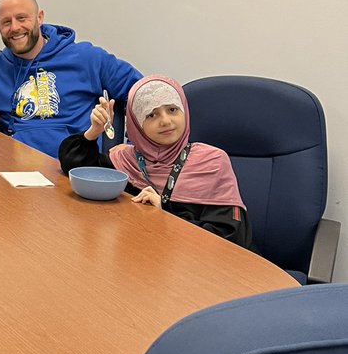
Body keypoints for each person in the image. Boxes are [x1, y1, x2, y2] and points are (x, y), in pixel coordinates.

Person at [58, 74, 253, 248]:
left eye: (172, 110)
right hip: (146, 262)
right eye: (151, 115)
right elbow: (75, 165)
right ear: (136, 125)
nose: (166, 121)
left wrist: (165, 217)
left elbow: (230, 238)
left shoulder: (212, 162)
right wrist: (94, 131)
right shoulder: (127, 160)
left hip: (204, 273)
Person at [0, 0, 141, 158]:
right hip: (9, 173)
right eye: (6, 22)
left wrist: (134, 148)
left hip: (71, 169)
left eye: (22, 18)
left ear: (40, 17)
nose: (15, 27)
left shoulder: (87, 58)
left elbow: (143, 92)